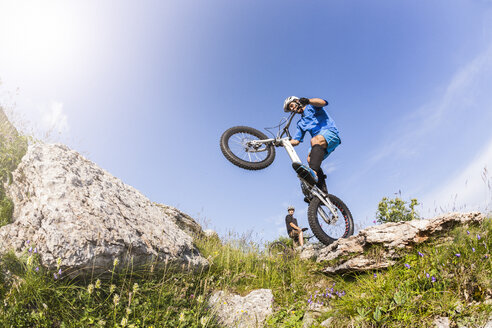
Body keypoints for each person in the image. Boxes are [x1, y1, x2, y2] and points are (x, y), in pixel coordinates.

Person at [283, 96, 341, 194]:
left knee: (315, 140)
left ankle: (313, 173)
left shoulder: (312, 106)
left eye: (292, 106)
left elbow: (323, 102)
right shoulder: (301, 123)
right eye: (290, 109)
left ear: (297, 101)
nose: (292, 109)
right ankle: (323, 191)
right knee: (310, 159)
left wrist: (308, 101)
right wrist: (282, 142)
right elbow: (296, 141)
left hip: (330, 134)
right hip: (319, 143)